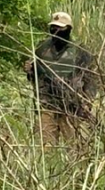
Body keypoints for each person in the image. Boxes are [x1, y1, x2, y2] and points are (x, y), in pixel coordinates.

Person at [24, 12, 97, 144]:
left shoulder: (80, 51)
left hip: (71, 107)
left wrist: (88, 102)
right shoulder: (42, 48)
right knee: (44, 147)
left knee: (75, 147)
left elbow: (90, 79)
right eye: (53, 27)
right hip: (47, 104)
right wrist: (30, 71)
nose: (56, 31)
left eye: (60, 28)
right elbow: (34, 77)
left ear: (68, 29)